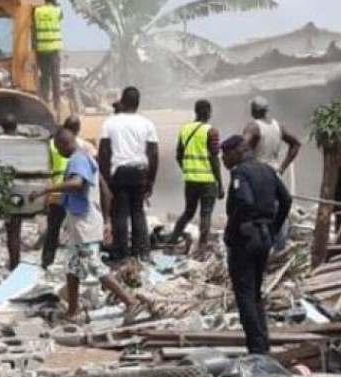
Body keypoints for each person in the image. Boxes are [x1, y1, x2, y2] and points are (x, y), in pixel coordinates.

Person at [29, 129, 140, 321]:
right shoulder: (88, 159)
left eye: (58, 148)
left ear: (65, 143)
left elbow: (77, 183)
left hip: (84, 223)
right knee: (72, 267)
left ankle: (130, 301)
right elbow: (106, 192)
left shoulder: (78, 159)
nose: (59, 152)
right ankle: (73, 310)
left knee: (93, 265)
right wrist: (105, 220)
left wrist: (46, 189)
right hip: (82, 222)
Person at [221, 135, 292, 355]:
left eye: (225, 155)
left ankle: (257, 349)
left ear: (237, 151)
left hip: (246, 238)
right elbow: (286, 199)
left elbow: (244, 202)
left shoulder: (240, 173)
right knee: (255, 294)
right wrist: (273, 227)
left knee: (245, 295)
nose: (223, 160)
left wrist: (230, 232)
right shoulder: (267, 170)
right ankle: (263, 343)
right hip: (263, 237)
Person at [98, 86, 159, 263]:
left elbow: (104, 151)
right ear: (138, 103)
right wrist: (151, 181)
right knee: (138, 212)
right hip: (140, 172)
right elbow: (153, 153)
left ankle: (121, 253)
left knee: (120, 214)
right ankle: (142, 252)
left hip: (119, 173)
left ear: (123, 102)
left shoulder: (111, 123)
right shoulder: (147, 124)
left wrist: (106, 178)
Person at [42, 115, 95, 267]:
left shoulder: (52, 144)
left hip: (58, 192)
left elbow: (47, 167)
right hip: (77, 197)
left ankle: (47, 262)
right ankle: (82, 264)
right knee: (77, 232)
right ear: (78, 129)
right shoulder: (85, 146)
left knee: (53, 229)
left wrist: (47, 190)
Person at [171, 100, 223, 250]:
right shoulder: (211, 131)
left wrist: (187, 169)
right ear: (206, 111)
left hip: (190, 180)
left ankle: (173, 239)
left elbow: (178, 156)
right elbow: (214, 159)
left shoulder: (185, 130)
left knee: (188, 211)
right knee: (205, 214)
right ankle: (202, 246)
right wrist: (220, 183)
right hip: (207, 180)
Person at [0, 113, 28, 268]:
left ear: (1, 128)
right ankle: (14, 264)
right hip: (18, 189)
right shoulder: (24, 143)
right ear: (16, 127)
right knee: (14, 231)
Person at [242, 96, 302, 175]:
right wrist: (282, 168)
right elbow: (296, 144)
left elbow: (241, 146)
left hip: (258, 173)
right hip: (274, 172)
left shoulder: (253, 127)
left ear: (253, 111)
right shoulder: (277, 126)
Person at [32, 0, 64, 104]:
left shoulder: (37, 11)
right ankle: (56, 102)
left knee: (44, 76)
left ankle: (45, 100)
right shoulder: (57, 10)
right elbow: (61, 15)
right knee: (55, 77)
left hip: (42, 49)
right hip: (54, 49)